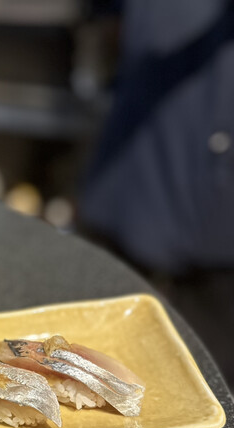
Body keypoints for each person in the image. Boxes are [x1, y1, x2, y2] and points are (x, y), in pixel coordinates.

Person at [80, 0, 234, 387]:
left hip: (219, 245)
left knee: (207, 389)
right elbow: (108, 22)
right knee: (93, 369)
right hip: (127, 195)